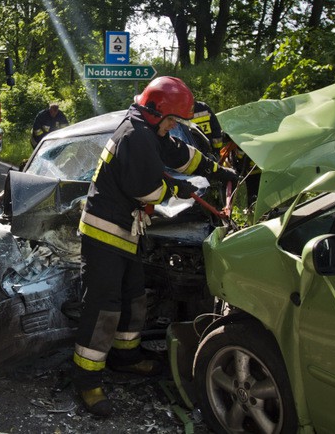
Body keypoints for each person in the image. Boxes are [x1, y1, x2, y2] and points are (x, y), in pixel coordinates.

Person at [73, 76, 237, 417]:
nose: (174, 127)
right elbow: (147, 191)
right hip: (105, 235)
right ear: (156, 112)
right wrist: (178, 189)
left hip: (126, 232)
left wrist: (216, 171)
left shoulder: (148, 130)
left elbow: (179, 154)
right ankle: (87, 382)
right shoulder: (136, 136)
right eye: (173, 121)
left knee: (133, 298)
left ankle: (125, 358)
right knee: (103, 309)